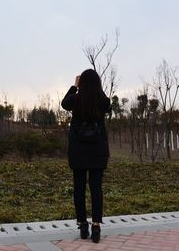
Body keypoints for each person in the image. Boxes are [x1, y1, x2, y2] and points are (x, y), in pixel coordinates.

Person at [61, 69, 111, 243]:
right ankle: (96, 226)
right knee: (96, 189)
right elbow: (107, 104)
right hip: (98, 152)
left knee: (79, 189)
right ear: (97, 84)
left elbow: (64, 103)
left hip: (79, 151)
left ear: (81, 83)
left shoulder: (76, 99)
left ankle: (83, 225)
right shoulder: (101, 101)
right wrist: (98, 88)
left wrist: (75, 86)